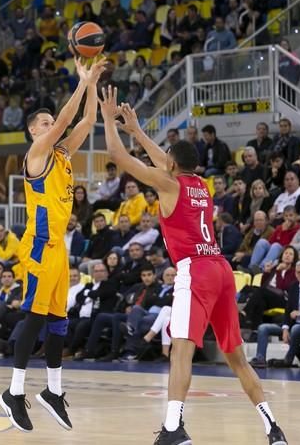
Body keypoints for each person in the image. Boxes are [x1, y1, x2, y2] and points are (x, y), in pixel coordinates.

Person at [99, 88, 287, 445]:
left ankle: (173, 429)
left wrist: (109, 119)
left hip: (196, 271)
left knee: (181, 350)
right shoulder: (201, 185)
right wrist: (138, 131)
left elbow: (116, 155)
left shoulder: (168, 185)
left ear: (171, 163)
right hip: (221, 269)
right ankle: (273, 429)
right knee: (237, 360)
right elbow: (164, 162)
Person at [0, 57, 106, 433]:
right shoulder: (37, 155)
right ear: (33, 132)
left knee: (59, 321)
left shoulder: (61, 154)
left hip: (58, 248)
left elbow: (87, 123)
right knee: (36, 316)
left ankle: (53, 391)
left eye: (49, 123)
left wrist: (92, 84)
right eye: (43, 124)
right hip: (39, 246)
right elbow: (64, 121)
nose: (50, 127)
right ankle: (13, 392)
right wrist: (80, 82)